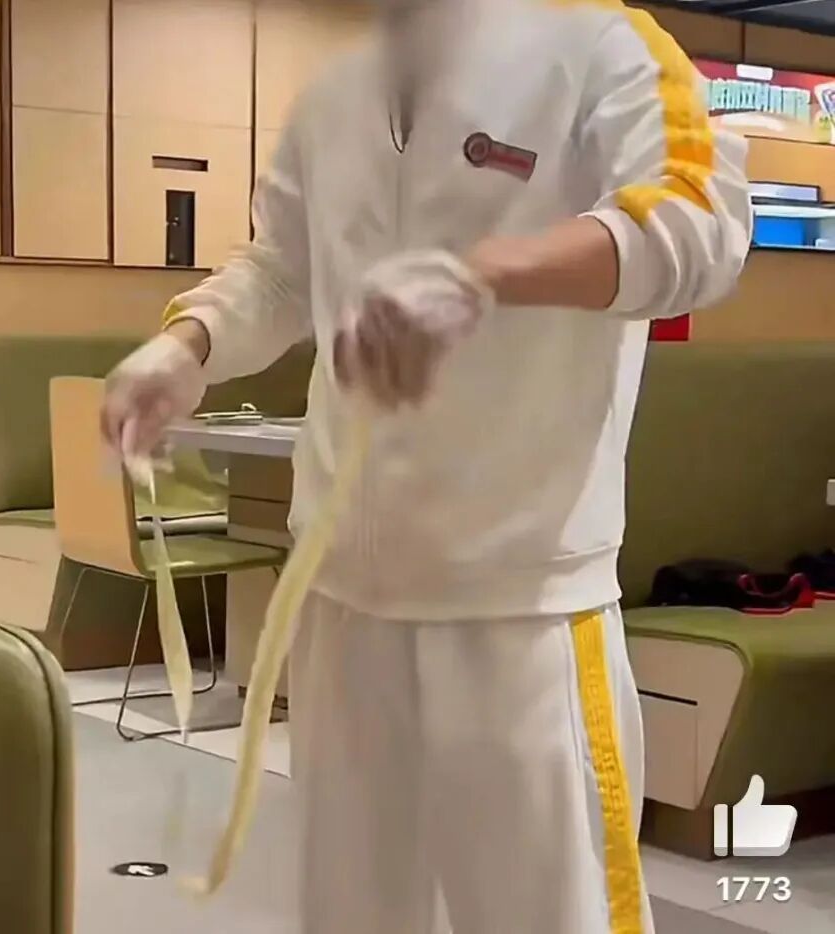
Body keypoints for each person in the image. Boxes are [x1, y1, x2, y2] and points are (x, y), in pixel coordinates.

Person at [101, 0, 752, 930]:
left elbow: (700, 218)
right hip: (342, 604)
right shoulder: (340, 92)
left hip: (517, 611)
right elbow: (284, 267)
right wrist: (189, 344)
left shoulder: (604, 46)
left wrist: (487, 275)